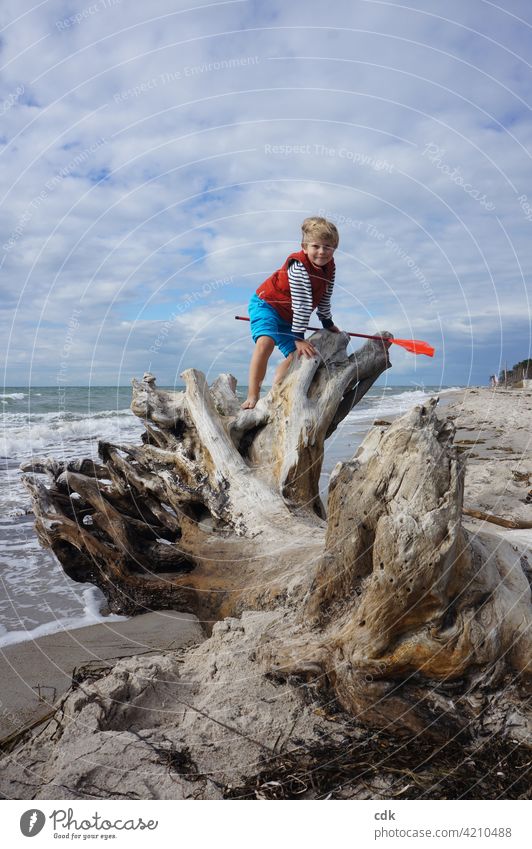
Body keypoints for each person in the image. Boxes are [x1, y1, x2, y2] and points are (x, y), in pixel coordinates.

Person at [241, 216, 341, 409]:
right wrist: (298, 336)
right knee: (266, 342)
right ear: (304, 247)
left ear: (334, 249)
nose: (322, 252)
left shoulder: (330, 267)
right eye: (316, 246)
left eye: (328, 247)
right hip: (267, 305)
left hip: (289, 317)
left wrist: (327, 322)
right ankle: (252, 396)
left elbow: (326, 295)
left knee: (298, 357)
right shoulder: (298, 267)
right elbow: (302, 303)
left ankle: (276, 392)